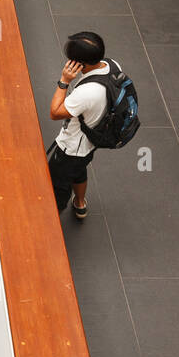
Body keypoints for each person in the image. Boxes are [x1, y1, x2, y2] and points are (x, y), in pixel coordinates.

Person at [48, 31, 109, 220]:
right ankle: (80, 203)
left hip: (71, 147)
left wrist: (64, 81)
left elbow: (55, 113)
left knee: (58, 184)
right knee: (79, 170)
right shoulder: (109, 65)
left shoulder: (88, 93)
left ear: (79, 63)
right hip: (90, 141)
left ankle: (53, 216)